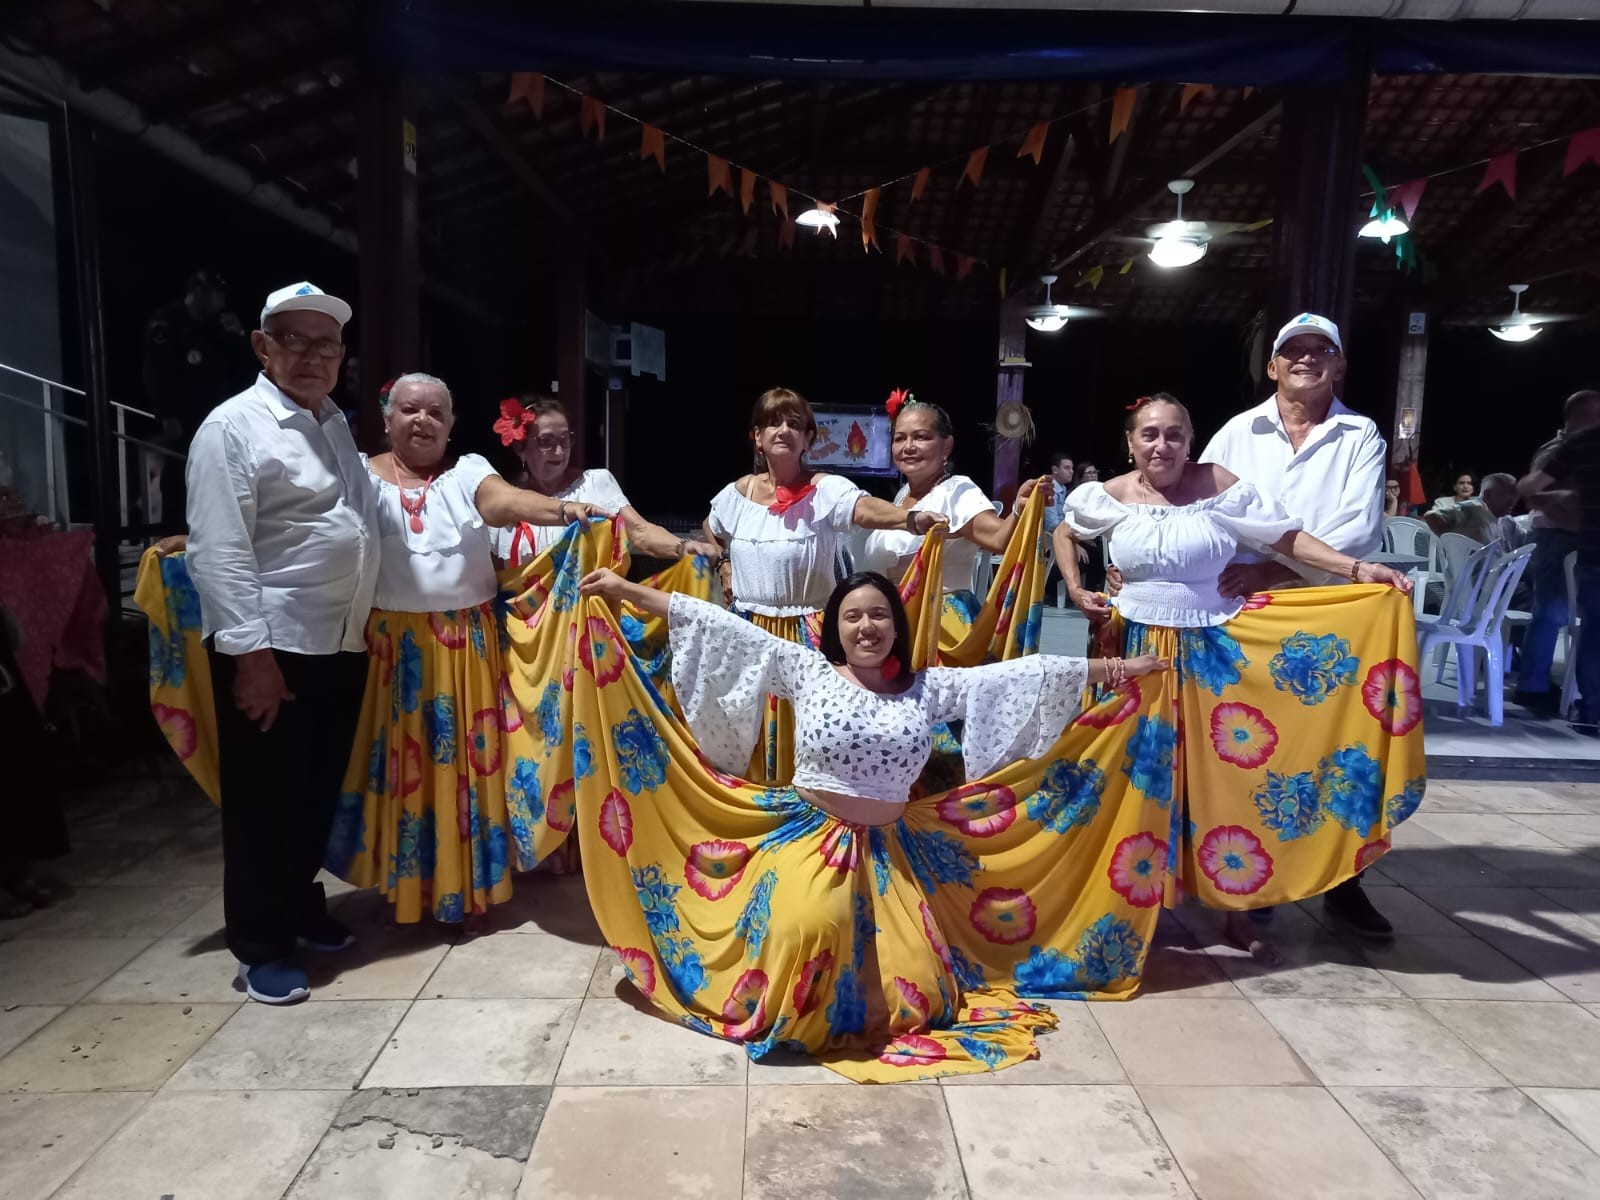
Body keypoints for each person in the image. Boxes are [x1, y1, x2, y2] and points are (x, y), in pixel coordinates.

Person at [574, 558, 1168, 1080]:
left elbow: (1021, 675)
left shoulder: (926, 690)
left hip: (891, 853)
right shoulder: (807, 671)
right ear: (835, 626)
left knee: (921, 994)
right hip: (808, 840)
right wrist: (626, 590)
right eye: (853, 616)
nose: (866, 627)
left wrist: (1118, 672)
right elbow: (720, 627)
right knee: (807, 934)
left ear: (897, 625)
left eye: (879, 615)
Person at [1056, 393, 1422, 962]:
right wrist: (1079, 589)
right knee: (1138, 784)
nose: (1162, 445)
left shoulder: (1220, 485)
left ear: (1190, 439)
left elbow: (1287, 537)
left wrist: (1358, 569)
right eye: (1149, 434)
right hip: (1134, 656)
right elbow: (1065, 531)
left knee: (1219, 784)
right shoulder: (1109, 495)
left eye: (1174, 433)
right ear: (1129, 442)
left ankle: (1234, 911)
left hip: (1212, 653)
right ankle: (1134, 904)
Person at [320, 374, 610, 928]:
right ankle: (409, 887)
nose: (422, 420)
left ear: (451, 424)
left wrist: (558, 512)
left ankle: (462, 890)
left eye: (435, 412)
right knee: (404, 768)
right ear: (387, 418)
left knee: (464, 771)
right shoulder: (357, 472)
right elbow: (304, 524)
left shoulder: (469, 470)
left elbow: (503, 502)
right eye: (410, 409)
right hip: (393, 651)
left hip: (467, 648)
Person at [184, 282, 378, 1005]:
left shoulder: (330, 423)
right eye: (293, 341)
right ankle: (259, 947)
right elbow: (221, 550)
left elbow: (358, 519)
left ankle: (300, 910)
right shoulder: (232, 427)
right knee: (265, 802)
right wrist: (251, 659)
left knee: (313, 795)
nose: (311, 357)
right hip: (275, 647)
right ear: (263, 347)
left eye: (325, 344)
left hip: (337, 642)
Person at [1192, 314, 1393, 944]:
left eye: (1320, 350)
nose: (1305, 359)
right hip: (1244, 618)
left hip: (1326, 616)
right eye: (1292, 351)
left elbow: (1355, 529)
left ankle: (1342, 882)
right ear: (1272, 365)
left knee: (1335, 749)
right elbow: (1205, 508)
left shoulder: (1359, 435)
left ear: (1338, 364)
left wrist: (1270, 568)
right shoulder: (1235, 432)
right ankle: (1248, 886)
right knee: (1250, 750)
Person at [699, 387, 945, 783]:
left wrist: (908, 519)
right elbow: (710, 531)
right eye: (773, 422)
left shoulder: (828, 489)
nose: (784, 430)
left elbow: (864, 510)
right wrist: (724, 564)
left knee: (813, 737)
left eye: (794, 423)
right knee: (749, 735)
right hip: (746, 637)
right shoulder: (735, 495)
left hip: (810, 636)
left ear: (809, 438)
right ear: (757, 437)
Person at [859, 391, 1050, 631]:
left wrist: (1019, 509)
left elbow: (998, 538)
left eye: (921, 437)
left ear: (946, 445)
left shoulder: (957, 491)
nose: (908, 447)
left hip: (939, 627)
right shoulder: (902, 497)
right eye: (899, 438)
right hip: (895, 624)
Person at [490, 395, 718, 568]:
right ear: (521, 447)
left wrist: (681, 547)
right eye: (546, 441)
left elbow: (639, 531)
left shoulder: (594, 484)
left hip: (586, 622)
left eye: (565, 440)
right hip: (521, 625)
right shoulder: (506, 498)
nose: (559, 451)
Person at [142, 270, 253, 531]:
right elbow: (156, 370)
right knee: (179, 479)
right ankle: (174, 536)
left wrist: (239, 336)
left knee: (220, 480)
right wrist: (166, 413)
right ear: (198, 293)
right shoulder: (167, 322)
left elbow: (243, 371)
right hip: (183, 421)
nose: (220, 301)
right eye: (215, 294)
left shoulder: (219, 326)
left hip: (219, 418)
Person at [1519, 411, 1600, 733]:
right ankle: (1535, 687)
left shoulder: (1579, 445)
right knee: (1553, 613)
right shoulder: (1563, 447)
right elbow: (1531, 490)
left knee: (1587, 626)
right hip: (1559, 536)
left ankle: (1585, 705)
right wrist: (1563, 500)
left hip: (1582, 544)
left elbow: (1530, 487)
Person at [1424, 472, 1520, 545]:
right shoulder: (1473, 508)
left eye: (1514, 495)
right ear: (1487, 495)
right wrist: (1451, 545)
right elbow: (1431, 516)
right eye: (1505, 494)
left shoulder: (1507, 521)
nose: (1513, 500)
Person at [1042, 451, 1077, 607]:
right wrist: (1074, 538)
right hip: (1047, 539)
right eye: (1067, 468)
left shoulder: (1063, 490)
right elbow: (1051, 523)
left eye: (1072, 468)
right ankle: (1045, 587)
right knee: (1087, 556)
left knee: (1093, 553)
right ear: (1055, 469)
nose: (1071, 471)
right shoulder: (1051, 490)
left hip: (1060, 535)